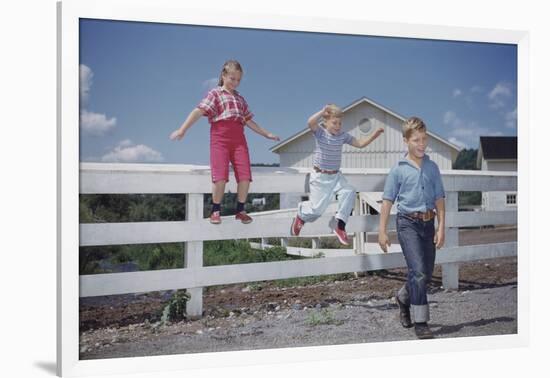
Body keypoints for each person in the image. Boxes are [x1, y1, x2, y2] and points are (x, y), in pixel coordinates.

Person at [170, 60, 280, 224]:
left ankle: (240, 210)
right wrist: (182, 130)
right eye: (232, 78)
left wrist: (266, 134)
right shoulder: (215, 94)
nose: (235, 82)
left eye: (238, 80)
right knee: (220, 176)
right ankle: (215, 210)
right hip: (219, 139)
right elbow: (198, 111)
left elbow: (249, 121)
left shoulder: (240, 98)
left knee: (245, 176)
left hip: (239, 140)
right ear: (223, 76)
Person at [378, 116, 446, 339]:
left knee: (424, 275)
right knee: (417, 272)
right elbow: (387, 200)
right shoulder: (398, 169)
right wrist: (382, 231)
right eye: (416, 140)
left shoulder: (432, 167)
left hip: (429, 224)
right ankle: (421, 322)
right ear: (405, 140)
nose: (421, 144)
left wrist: (441, 227)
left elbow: (440, 199)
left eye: (424, 139)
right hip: (407, 224)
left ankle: (403, 298)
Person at [290, 104, 384, 245]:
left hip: (336, 176)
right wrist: (322, 111)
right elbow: (310, 122)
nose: (338, 126)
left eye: (340, 123)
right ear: (325, 122)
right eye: (334, 122)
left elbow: (360, 143)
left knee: (350, 191)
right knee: (316, 210)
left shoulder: (342, 136)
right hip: (320, 177)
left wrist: (374, 135)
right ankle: (301, 215)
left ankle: (339, 225)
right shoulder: (321, 133)